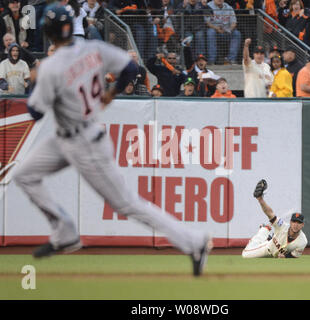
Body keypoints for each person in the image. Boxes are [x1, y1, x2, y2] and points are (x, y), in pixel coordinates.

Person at [13, 3, 212, 277]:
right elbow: (131, 69)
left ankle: (194, 241)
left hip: (85, 143)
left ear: (48, 34)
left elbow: (35, 112)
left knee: (127, 204)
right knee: (24, 174)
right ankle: (65, 232)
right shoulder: (93, 48)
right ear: (72, 26)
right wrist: (111, 93)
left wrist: (36, 79)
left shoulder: (51, 67)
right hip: (65, 138)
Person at [242, 179, 308, 259]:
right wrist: (260, 199)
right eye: (294, 222)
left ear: (302, 225)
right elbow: (270, 213)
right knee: (245, 255)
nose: (296, 225)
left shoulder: (303, 241)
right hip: (267, 248)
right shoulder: (282, 226)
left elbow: (293, 256)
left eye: (298, 223)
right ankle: (264, 230)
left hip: (274, 254)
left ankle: (267, 236)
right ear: (290, 222)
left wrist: (285, 257)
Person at [205, 0, 241, 65]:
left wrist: (229, 30)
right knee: (210, 32)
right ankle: (211, 60)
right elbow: (207, 22)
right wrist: (216, 29)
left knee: (236, 33)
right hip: (215, 32)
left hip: (226, 32)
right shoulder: (208, 6)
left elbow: (234, 22)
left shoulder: (229, 7)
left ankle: (231, 59)